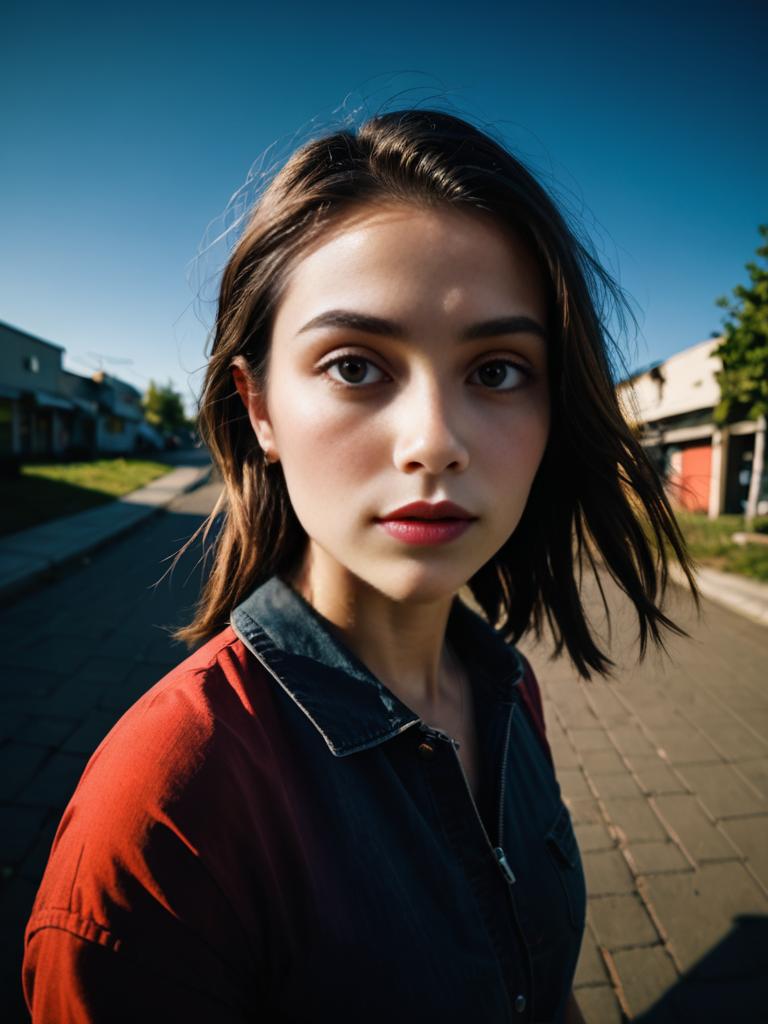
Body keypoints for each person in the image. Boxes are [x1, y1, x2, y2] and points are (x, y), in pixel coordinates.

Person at [22, 109, 697, 1023]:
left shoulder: (505, 689)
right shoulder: (168, 812)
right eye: (354, 366)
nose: (434, 442)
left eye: (498, 371)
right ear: (258, 407)